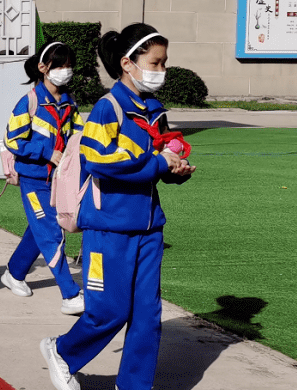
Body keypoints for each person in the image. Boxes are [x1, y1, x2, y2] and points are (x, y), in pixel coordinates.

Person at [42, 23, 196, 390]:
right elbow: (99, 162)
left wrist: (175, 169)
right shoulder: (107, 108)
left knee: (147, 316)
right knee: (108, 311)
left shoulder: (154, 109)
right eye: (155, 63)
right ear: (128, 63)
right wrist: (158, 163)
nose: (161, 70)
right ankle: (62, 351)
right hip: (108, 227)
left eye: (164, 63)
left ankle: (134, 385)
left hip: (149, 228)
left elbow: (160, 160)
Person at [2, 41, 86, 315]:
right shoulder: (29, 102)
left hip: (60, 180)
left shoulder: (69, 102)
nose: (65, 71)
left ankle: (14, 272)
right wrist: (47, 153)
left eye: (69, 66)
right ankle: (70, 294)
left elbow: (80, 135)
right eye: (60, 65)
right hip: (34, 179)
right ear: (43, 67)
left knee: (40, 229)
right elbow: (12, 140)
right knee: (51, 233)